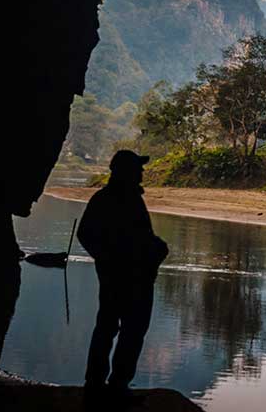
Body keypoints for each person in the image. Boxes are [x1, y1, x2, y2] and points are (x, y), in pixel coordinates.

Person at [77, 149, 169, 410]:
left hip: (118, 277)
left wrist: (105, 260)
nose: (142, 172)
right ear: (126, 172)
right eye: (137, 168)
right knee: (129, 331)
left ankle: (98, 384)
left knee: (110, 329)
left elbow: (87, 235)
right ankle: (115, 386)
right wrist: (110, 260)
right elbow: (93, 236)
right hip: (130, 279)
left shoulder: (105, 199)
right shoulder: (121, 200)